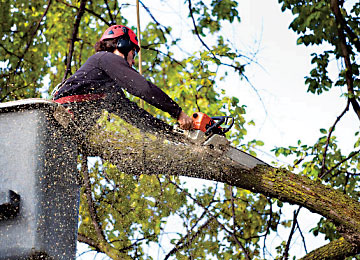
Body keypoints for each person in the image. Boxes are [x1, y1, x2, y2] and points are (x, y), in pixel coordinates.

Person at [53, 25, 193, 142]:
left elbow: (136, 116)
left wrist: (174, 135)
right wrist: (178, 113)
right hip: (58, 119)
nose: (133, 61)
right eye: (134, 53)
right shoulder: (104, 58)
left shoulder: (107, 88)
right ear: (123, 45)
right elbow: (143, 88)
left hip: (65, 133)